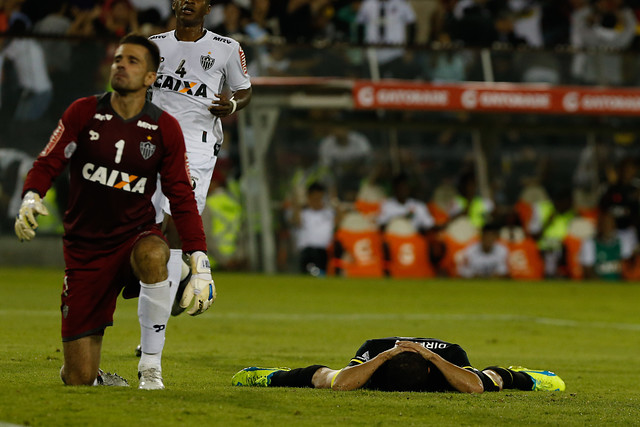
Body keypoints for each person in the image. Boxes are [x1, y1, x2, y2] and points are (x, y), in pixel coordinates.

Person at [13, 34, 215, 390]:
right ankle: (96, 376)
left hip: (134, 237)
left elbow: (180, 195)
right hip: (85, 249)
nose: (121, 65)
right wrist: (31, 195)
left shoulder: (164, 128)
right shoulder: (84, 112)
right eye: (118, 59)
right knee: (78, 378)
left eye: (133, 61)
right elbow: (49, 161)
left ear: (151, 78)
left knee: (156, 253)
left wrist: (199, 258)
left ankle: (150, 368)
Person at [149, 0, 252, 315]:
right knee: (150, 229)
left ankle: (158, 323)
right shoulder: (153, 45)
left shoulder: (227, 47)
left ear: (208, 7)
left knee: (174, 222)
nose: (187, 2)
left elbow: (244, 90)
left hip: (197, 143)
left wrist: (232, 105)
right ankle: (179, 274)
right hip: (154, 139)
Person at [231, 336, 566, 393]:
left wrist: (433, 357)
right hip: (384, 362)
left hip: (440, 362)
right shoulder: (376, 353)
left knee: (491, 378)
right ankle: (268, 376)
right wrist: (384, 357)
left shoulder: (449, 355)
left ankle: (533, 378)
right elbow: (340, 383)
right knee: (325, 377)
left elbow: (475, 386)